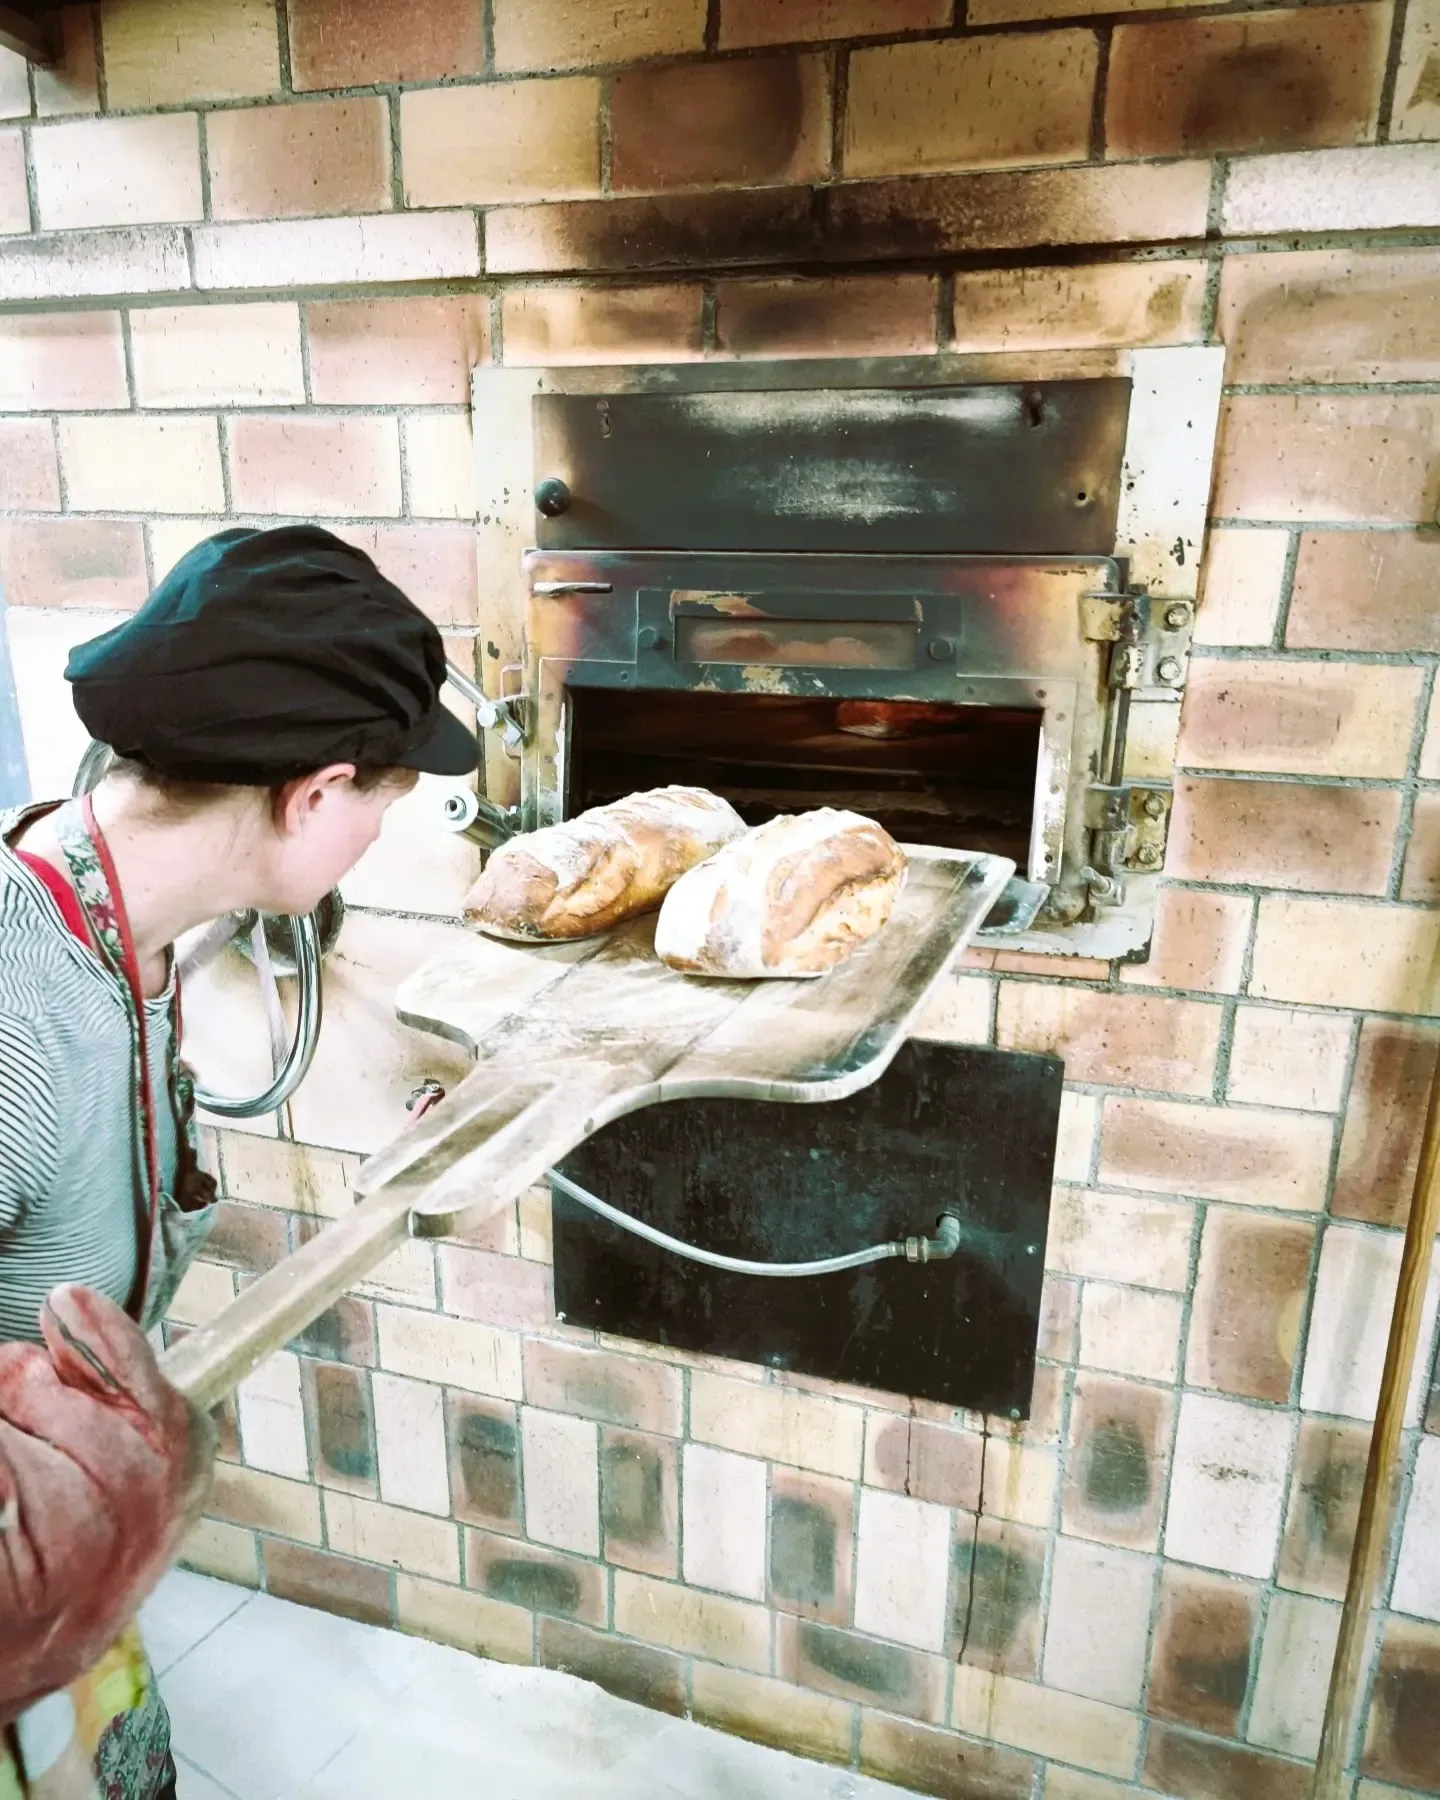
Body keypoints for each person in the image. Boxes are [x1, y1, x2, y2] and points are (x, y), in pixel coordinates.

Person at [0, 526, 479, 1798]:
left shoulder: (127, 919)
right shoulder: (14, 1013)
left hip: (69, 1594)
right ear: (314, 795)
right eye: (383, 809)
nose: (373, 838)